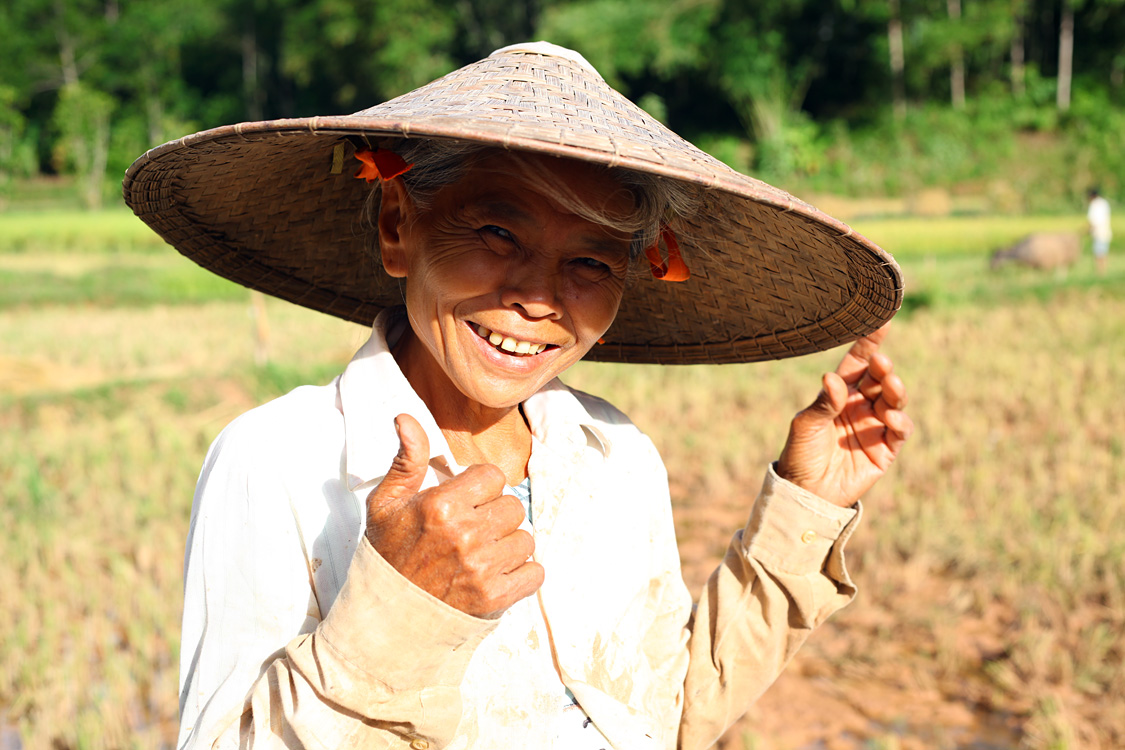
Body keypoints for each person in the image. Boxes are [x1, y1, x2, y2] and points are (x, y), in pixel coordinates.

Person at [124, 42, 912, 749]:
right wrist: (401, 609)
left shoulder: (613, 453)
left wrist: (804, 507)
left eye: (591, 264)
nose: (539, 298)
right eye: (497, 235)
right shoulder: (283, 459)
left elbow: (662, 717)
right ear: (399, 225)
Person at [1087, 187, 1112, 274]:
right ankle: (1103, 272)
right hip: (1106, 231)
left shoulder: (1094, 205)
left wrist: (1087, 230)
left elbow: (1093, 221)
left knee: (1098, 254)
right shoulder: (1104, 203)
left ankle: (1100, 273)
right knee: (1103, 253)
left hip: (1098, 233)